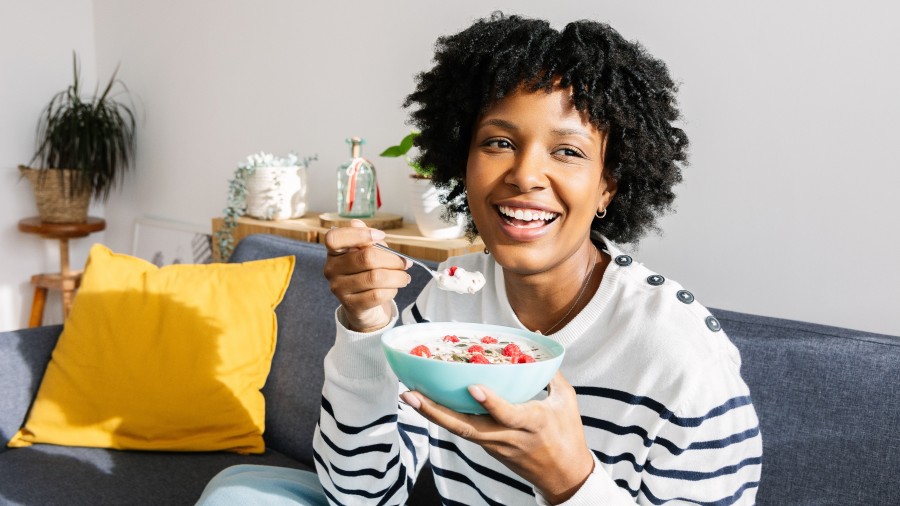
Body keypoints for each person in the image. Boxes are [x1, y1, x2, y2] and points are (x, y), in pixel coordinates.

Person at [198, 12, 761, 505]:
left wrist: (569, 480)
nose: (524, 175)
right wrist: (366, 329)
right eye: (498, 142)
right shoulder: (451, 298)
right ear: (461, 161)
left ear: (609, 186)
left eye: (567, 152)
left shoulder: (680, 357)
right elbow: (360, 492)